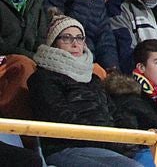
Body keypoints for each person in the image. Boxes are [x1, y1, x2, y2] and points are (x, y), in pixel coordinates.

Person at [28, 16, 140, 167]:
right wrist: (107, 138)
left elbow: (114, 112)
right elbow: (59, 118)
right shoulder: (43, 78)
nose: (75, 43)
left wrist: (124, 137)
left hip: (105, 146)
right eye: (67, 38)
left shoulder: (92, 79)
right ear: (54, 43)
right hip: (66, 148)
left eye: (79, 38)